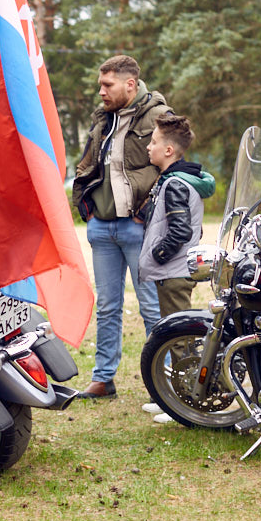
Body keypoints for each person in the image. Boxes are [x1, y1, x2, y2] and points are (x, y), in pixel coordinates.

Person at [71, 55, 167, 400]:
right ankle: (103, 379)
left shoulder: (159, 116)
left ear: (130, 84)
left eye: (107, 85)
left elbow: (171, 166)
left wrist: (146, 214)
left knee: (152, 309)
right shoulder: (102, 119)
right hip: (103, 229)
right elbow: (87, 164)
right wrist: (87, 208)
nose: (101, 92)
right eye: (100, 85)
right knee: (108, 307)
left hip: (138, 229)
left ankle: (165, 383)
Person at [137, 113, 215, 422]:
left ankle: (187, 403)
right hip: (171, 271)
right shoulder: (173, 180)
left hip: (173, 272)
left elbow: (180, 230)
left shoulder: (176, 184)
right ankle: (171, 395)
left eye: (154, 142)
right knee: (171, 334)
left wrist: (158, 253)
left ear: (169, 150)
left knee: (180, 340)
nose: (148, 147)